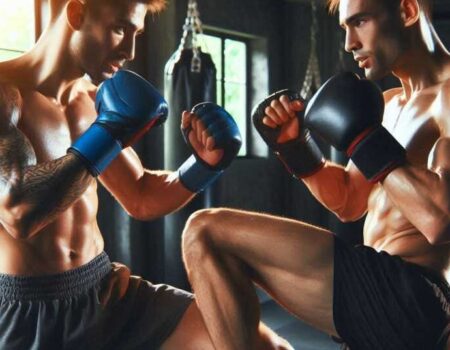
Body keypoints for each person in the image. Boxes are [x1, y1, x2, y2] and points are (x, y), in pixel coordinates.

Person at [0, 0, 292, 349]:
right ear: (77, 13)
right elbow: (18, 210)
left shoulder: (94, 102)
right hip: (31, 312)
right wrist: (109, 132)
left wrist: (203, 165)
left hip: (106, 290)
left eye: (136, 34)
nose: (130, 50)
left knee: (265, 345)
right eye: (121, 28)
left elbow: (140, 195)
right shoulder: (6, 93)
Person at [181, 0, 450, 349]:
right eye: (344, 29)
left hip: (412, 295)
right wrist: (297, 150)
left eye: (361, 22)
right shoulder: (393, 103)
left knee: (205, 232)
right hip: (383, 299)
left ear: (408, 10)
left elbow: (439, 219)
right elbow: (350, 201)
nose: (349, 43)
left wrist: (363, 139)